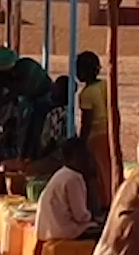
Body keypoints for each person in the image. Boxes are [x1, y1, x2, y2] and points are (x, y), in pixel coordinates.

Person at [34, 136, 102, 243]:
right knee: (103, 232)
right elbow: (81, 216)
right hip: (63, 231)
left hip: (47, 229)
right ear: (75, 157)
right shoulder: (74, 178)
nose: (88, 159)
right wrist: (95, 218)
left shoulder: (62, 173)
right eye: (84, 155)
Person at [0, 47, 52, 160]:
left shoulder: (28, 67)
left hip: (43, 97)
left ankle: (33, 157)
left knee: (35, 127)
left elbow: (16, 92)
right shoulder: (0, 75)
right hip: (26, 99)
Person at [75, 50, 114, 205]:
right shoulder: (105, 85)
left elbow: (87, 121)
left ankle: (104, 202)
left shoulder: (86, 94)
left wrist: (81, 142)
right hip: (108, 133)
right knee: (109, 168)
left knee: (98, 172)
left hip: (95, 136)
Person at [36, 75, 72, 160]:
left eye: (56, 88)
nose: (52, 90)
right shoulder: (68, 111)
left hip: (54, 156)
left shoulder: (57, 113)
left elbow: (54, 141)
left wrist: (41, 157)